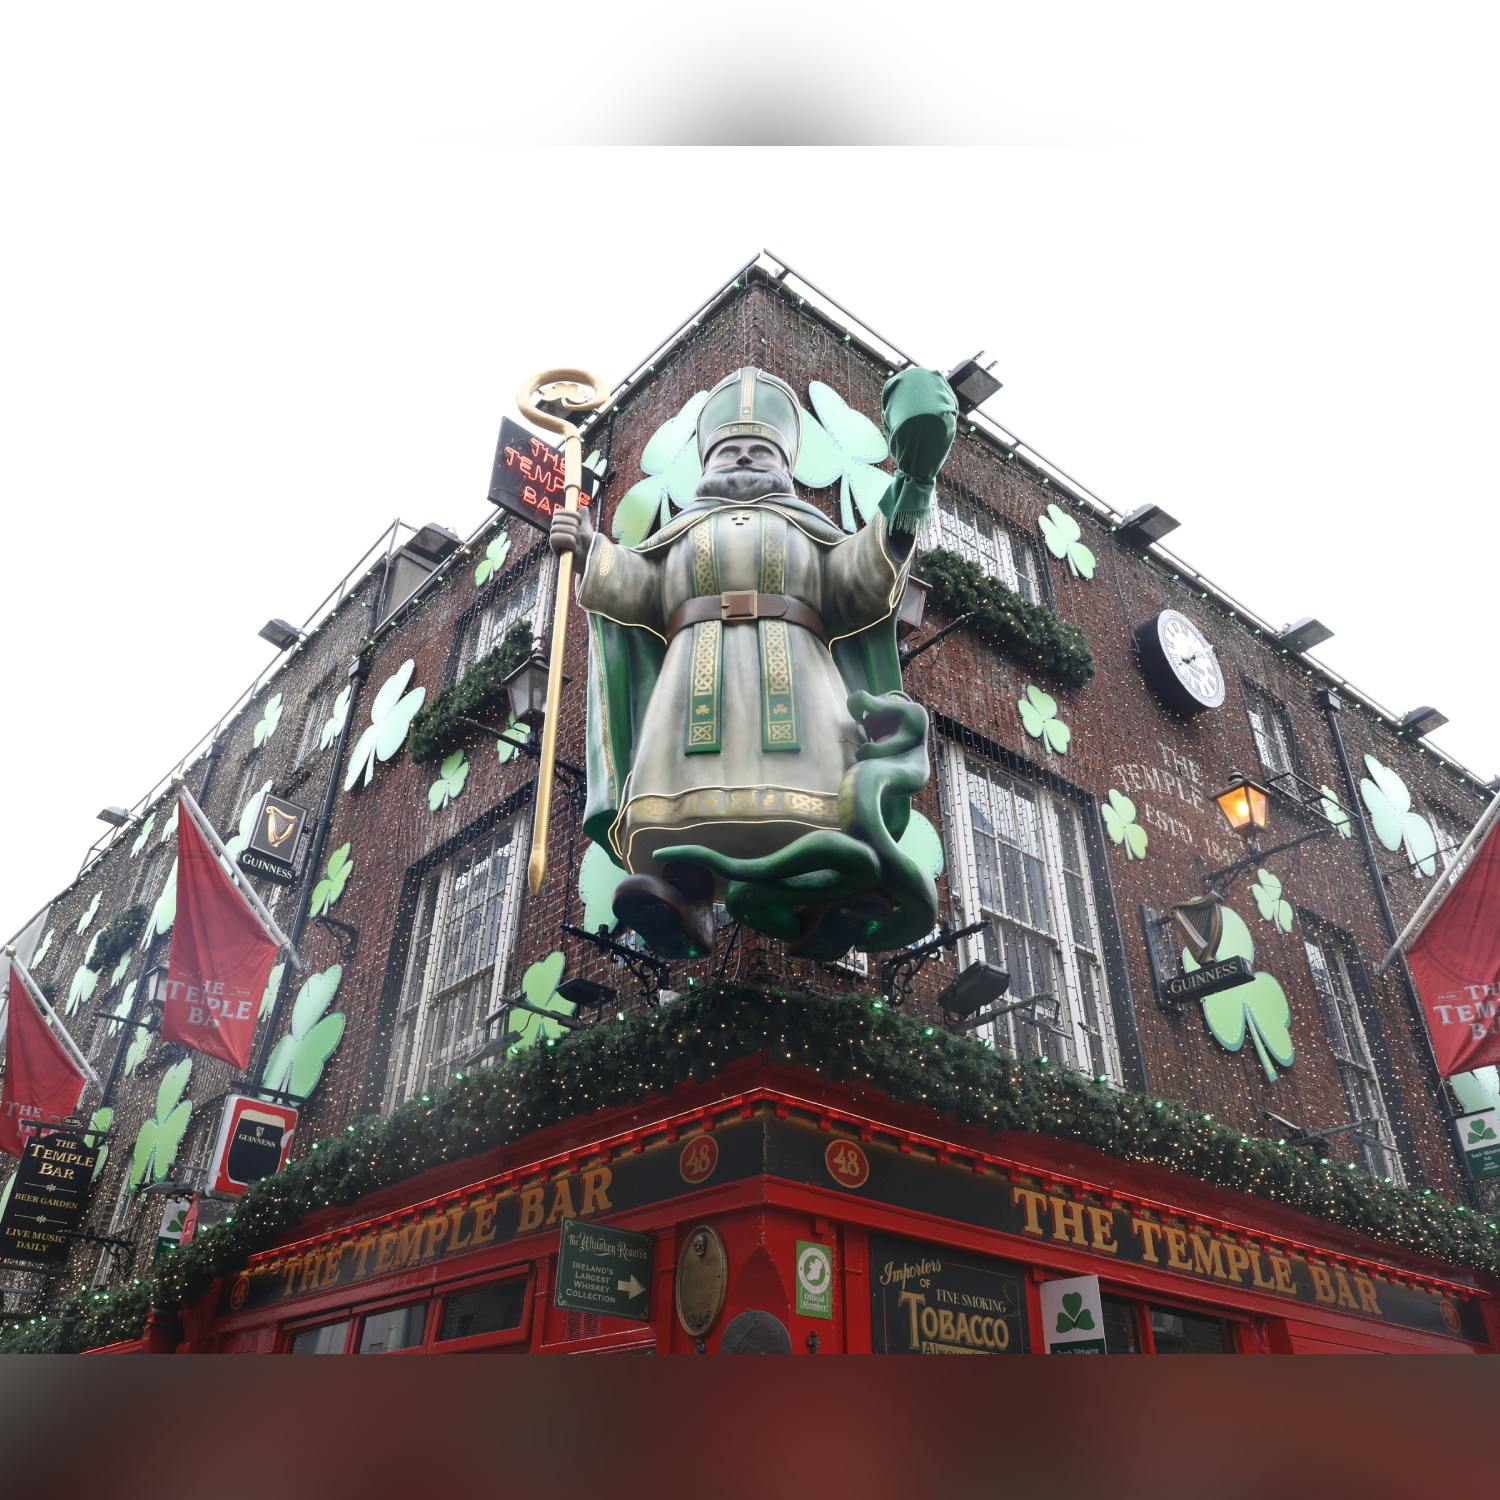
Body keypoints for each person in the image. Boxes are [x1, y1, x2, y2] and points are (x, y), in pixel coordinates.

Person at [552, 365, 955, 960]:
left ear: (785, 464)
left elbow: (858, 579)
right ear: (706, 464)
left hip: (795, 677)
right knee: (682, 805)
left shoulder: (807, 531)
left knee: (817, 802)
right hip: (694, 680)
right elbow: (638, 589)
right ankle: (685, 899)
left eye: (759, 451)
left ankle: (825, 898)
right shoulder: (680, 534)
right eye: (730, 451)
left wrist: (909, 493)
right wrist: (591, 549)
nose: (743, 460)